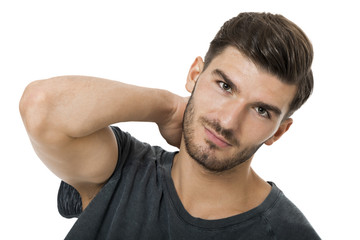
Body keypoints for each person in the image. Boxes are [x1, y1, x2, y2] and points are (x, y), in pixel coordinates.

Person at [20, 12, 320, 239]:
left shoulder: (288, 233)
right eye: (225, 86)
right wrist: (168, 108)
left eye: (260, 110)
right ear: (195, 74)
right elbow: (40, 106)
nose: (228, 121)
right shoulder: (122, 170)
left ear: (279, 132)